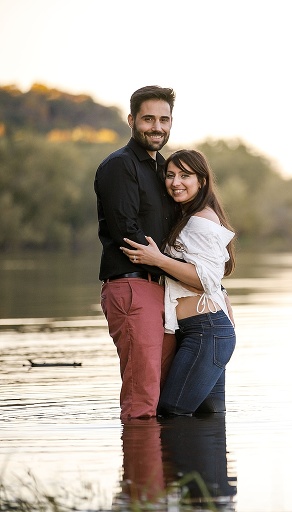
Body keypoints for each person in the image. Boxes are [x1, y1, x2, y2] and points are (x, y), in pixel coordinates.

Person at [121, 149, 237, 415]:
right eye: (170, 175)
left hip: (205, 332)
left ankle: (165, 457)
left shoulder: (200, 221)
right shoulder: (191, 218)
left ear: (202, 181)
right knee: (210, 419)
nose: (176, 182)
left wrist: (157, 259)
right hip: (206, 329)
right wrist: (224, 299)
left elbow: (205, 280)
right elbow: (213, 276)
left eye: (185, 175)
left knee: (171, 412)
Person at [95, 85, 179, 421]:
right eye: (148, 119)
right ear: (131, 120)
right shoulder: (120, 165)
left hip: (161, 286)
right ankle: (140, 476)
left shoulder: (161, 170)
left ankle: (169, 473)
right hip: (131, 287)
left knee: (164, 390)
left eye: (164, 119)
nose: (157, 126)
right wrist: (180, 268)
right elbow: (126, 230)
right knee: (142, 395)